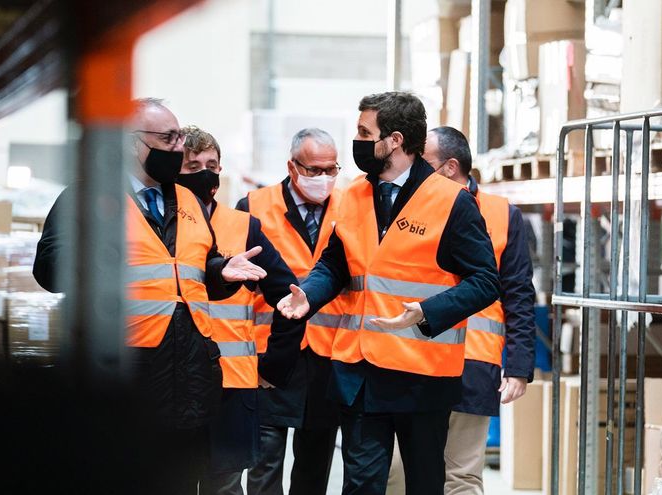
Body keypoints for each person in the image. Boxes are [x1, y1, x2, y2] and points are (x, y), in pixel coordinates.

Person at [32, 98, 279, 495]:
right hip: (126, 379)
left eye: (179, 136)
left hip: (191, 380)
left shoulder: (188, 201)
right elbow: (48, 269)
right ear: (133, 144)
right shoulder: (87, 196)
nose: (178, 146)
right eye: (167, 138)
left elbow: (196, 272)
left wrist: (222, 272)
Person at [276, 92, 501, 495]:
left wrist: (427, 311)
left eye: (365, 132)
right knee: (361, 485)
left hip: (422, 375)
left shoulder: (452, 202)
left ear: (394, 140)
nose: (358, 139)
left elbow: (486, 280)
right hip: (359, 374)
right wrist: (308, 295)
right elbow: (335, 264)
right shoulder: (353, 196)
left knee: (424, 484)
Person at [386, 126, 536, 495]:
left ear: (450, 168)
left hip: (473, 363)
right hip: (413, 360)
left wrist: (518, 367)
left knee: (461, 478)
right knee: (395, 474)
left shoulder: (502, 215)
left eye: (425, 164)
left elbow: (518, 294)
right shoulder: (407, 208)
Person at [175, 125, 307, 495]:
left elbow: (290, 296)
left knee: (225, 486)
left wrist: (273, 366)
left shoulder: (242, 227)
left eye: (212, 164)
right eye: (192, 165)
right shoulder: (160, 225)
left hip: (232, 385)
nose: (204, 172)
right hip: (174, 384)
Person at [234, 128, 345, 495]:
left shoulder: (350, 208)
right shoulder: (254, 207)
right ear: (292, 167)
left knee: (314, 467)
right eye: (314, 170)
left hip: (328, 357)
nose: (324, 179)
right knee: (264, 465)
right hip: (271, 355)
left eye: (331, 169)